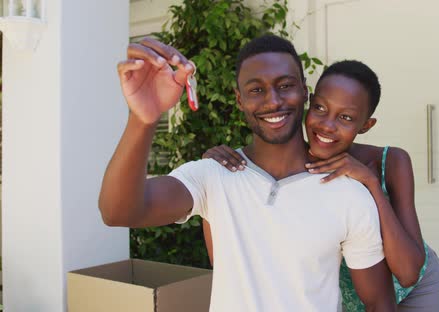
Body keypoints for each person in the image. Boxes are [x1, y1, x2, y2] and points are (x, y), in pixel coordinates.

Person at [98, 35, 396, 311]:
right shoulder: (213, 175)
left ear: (305, 91)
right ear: (239, 99)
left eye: (285, 85)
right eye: (256, 89)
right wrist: (144, 119)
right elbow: (118, 212)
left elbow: (380, 303)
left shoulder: (350, 195)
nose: (273, 101)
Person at [203, 60, 439, 311]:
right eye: (319, 108)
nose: (327, 125)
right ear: (307, 103)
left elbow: (408, 273)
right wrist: (215, 173)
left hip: (413, 291)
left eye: (346, 117)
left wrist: (371, 184)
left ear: (366, 125)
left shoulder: (391, 161)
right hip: (347, 295)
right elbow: (226, 256)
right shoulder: (289, 168)